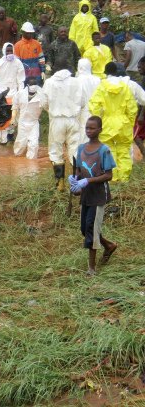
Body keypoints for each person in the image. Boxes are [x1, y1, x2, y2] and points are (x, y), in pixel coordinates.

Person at [68, 116, 117, 276]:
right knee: (85, 229)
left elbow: (108, 175)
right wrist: (75, 181)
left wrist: (88, 180)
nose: (89, 131)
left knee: (91, 228)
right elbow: (78, 169)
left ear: (99, 130)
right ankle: (108, 245)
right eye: (87, 128)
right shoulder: (81, 148)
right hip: (86, 194)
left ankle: (91, 268)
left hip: (98, 196)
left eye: (92, 128)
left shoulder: (104, 150)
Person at [89, 63, 139, 183]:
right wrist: (129, 122)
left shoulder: (102, 86)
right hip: (123, 122)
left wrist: (97, 121)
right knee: (124, 150)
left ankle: (112, 178)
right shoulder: (125, 87)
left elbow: (94, 106)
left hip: (107, 121)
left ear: (106, 73)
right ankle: (124, 177)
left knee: (108, 150)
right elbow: (132, 108)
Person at [40, 67, 86, 191]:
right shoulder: (76, 82)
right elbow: (83, 102)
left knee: (55, 151)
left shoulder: (49, 82)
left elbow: (43, 103)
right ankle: (76, 183)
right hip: (73, 119)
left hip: (56, 119)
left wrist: (52, 110)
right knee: (75, 150)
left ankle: (60, 184)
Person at [0, 42, 25, 144]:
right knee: (1, 117)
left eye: (11, 50)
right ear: (4, 51)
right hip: (1, 95)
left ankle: (10, 134)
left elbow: (21, 79)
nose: (9, 53)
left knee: (13, 116)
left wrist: (21, 93)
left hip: (14, 95)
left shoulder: (18, 63)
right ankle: (2, 140)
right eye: (7, 51)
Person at [11, 79, 43, 160]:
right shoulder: (20, 94)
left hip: (34, 122)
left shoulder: (42, 94)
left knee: (34, 143)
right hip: (22, 121)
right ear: (27, 86)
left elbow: (47, 106)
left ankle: (31, 161)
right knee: (20, 143)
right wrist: (13, 118)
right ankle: (17, 158)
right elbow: (15, 107)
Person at [76, 58, 101, 142]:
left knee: (84, 132)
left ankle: (84, 153)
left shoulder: (77, 80)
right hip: (97, 110)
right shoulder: (97, 79)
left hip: (83, 110)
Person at [14, 22, 45, 86]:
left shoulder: (37, 44)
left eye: (31, 33)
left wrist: (43, 71)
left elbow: (41, 58)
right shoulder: (17, 45)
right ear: (23, 32)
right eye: (27, 33)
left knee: (37, 90)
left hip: (36, 73)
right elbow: (16, 63)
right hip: (24, 73)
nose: (29, 35)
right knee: (24, 91)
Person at [133, 57, 145, 158]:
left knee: (135, 134)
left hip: (143, 113)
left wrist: (141, 115)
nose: (138, 68)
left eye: (140, 66)